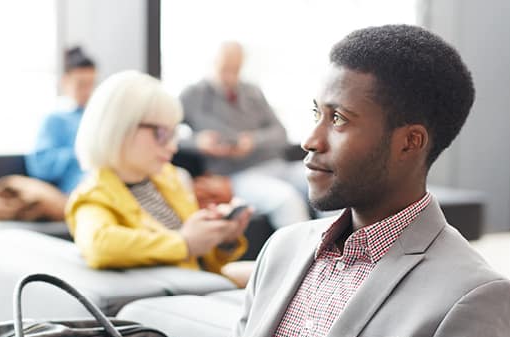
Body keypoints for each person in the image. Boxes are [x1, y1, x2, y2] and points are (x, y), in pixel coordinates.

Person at [155, 25, 510, 337]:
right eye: (317, 114)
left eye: (338, 119)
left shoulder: (476, 299)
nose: (310, 140)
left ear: (409, 142)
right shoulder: (283, 249)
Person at [66, 70, 253, 282]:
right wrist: (184, 242)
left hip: (198, 286)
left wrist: (222, 239)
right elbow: (99, 245)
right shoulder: (94, 196)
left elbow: (201, 262)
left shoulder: (169, 179)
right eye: (162, 134)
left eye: (175, 134)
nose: (173, 147)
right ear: (120, 129)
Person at [179, 41, 311, 229]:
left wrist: (253, 141)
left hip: (277, 166)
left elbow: (280, 133)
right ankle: (308, 259)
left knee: (330, 184)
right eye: (225, 68)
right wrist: (198, 143)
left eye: (236, 69)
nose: (230, 76)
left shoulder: (253, 91)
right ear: (213, 62)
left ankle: (345, 251)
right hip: (237, 176)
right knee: (286, 200)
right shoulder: (192, 95)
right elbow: (166, 136)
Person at [25, 46, 97, 193]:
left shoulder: (98, 117)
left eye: (91, 84)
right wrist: (79, 153)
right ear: (66, 81)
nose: (87, 91)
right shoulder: (55, 120)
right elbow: (40, 165)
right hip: (82, 188)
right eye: (81, 84)